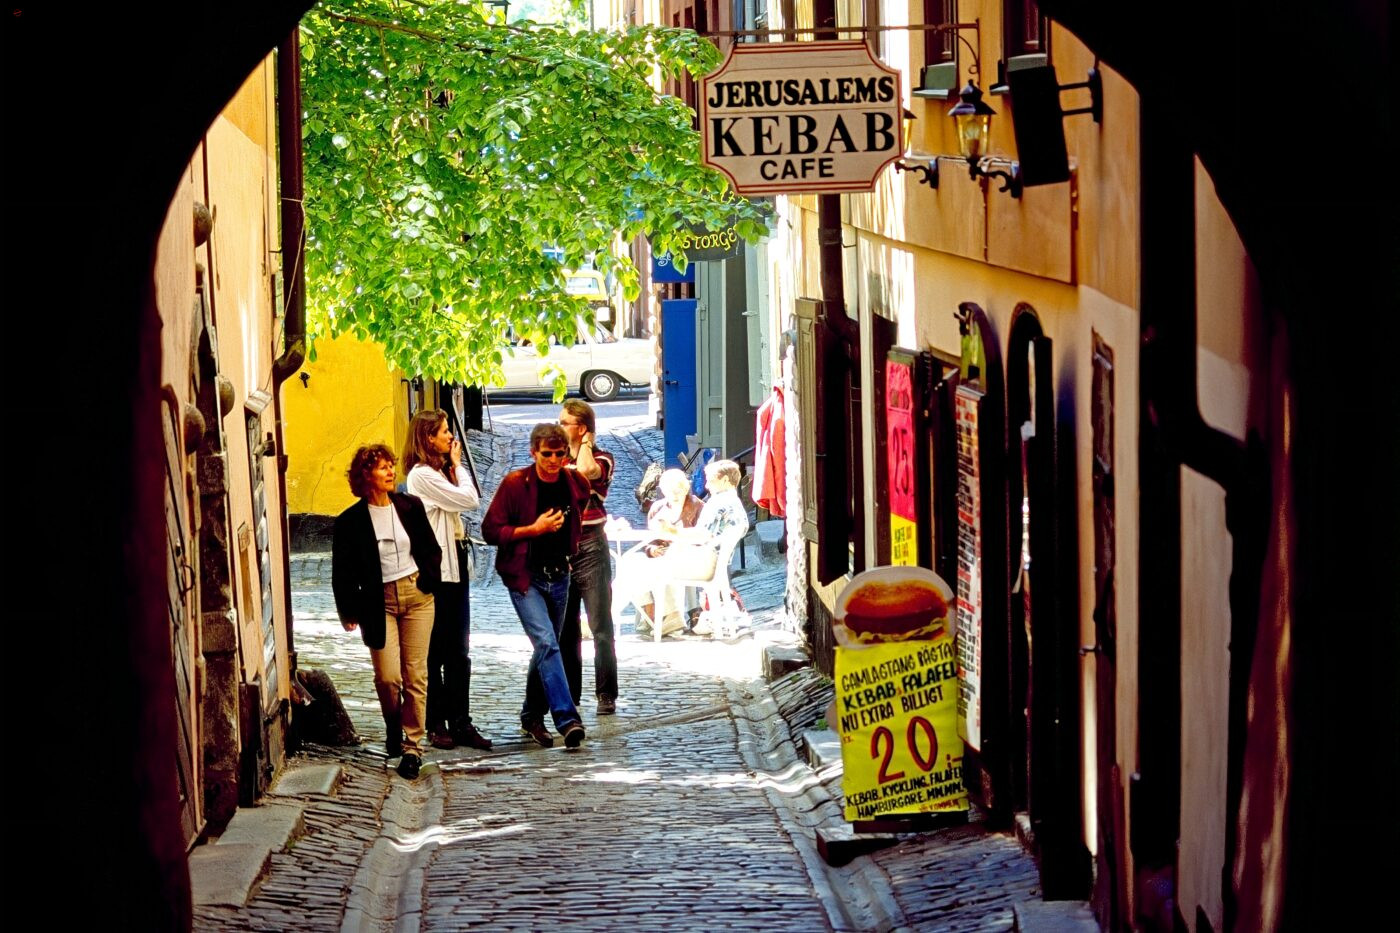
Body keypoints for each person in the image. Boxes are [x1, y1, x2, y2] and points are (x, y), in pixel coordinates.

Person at [332, 444, 441, 780]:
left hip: (417, 595)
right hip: (378, 603)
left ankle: (412, 747)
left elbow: (431, 549)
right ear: (366, 476)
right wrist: (348, 610)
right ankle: (394, 726)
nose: (391, 471)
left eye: (391, 466)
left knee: (415, 675)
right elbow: (342, 571)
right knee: (388, 678)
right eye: (382, 468)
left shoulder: (410, 505)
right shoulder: (351, 521)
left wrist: (428, 580)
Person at [481, 424, 591, 748]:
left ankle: (531, 716)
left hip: (560, 575)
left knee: (547, 648)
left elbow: (583, 503)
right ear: (533, 453)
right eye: (547, 454)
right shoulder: (516, 484)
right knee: (547, 643)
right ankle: (567, 719)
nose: (554, 460)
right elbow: (491, 531)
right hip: (525, 577)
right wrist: (534, 529)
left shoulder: (574, 482)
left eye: (559, 454)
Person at [402, 410, 492, 752]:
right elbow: (470, 498)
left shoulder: (438, 474)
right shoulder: (423, 475)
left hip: (454, 567)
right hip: (436, 573)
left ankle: (461, 720)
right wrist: (459, 467)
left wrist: (452, 469)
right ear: (428, 439)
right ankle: (437, 722)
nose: (451, 437)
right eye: (444, 432)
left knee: (459, 651)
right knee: (435, 650)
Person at [541, 399, 619, 716]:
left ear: (582, 428)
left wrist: (585, 444)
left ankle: (606, 695)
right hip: (561, 549)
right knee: (566, 628)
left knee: (600, 626)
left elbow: (588, 471)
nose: (558, 427)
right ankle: (571, 695)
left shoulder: (602, 458)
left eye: (564, 423)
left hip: (590, 547)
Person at [645, 459, 749, 637]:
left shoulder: (717, 504)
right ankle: (667, 618)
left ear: (724, 480)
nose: (706, 485)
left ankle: (667, 619)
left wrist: (671, 531)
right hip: (715, 562)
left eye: (710, 480)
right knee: (657, 560)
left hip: (705, 564)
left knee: (647, 569)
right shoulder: (734, 502)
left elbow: (701, 535)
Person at [627, 468, 704, 638]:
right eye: (669, 491)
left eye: (678, 490)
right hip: (661, 556)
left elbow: (702, 538)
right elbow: (649, 540)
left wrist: (678, 540)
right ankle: (650, 611)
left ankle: (671, 615)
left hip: (687, 557)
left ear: (685, 488)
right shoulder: (657, 508)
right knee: (630, 564)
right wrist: (652, 550)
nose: (674, 494)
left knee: (666, 563)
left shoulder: (697, 506)